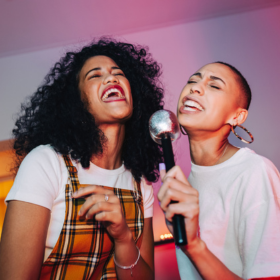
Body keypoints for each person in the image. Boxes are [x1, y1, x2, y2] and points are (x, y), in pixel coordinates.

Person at [0, 38, 164, 280]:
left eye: (118, 73)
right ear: (78, 104)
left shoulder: (140, 184)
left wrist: (123, 237)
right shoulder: (46, 163)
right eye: (94, 76)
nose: (111, 78)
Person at [158, 62, 280, 279]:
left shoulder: (255, 172)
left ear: (237, 117)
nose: (194, 88)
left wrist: (193, 244)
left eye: (214, 86)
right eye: (192, 80)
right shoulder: (187, 184)